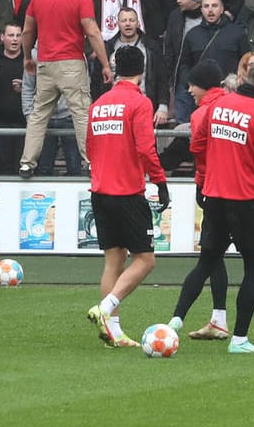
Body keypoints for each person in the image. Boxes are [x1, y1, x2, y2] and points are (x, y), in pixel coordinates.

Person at [165, 58, 254, 354]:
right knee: (252, 266)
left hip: (214, 197)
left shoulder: (217, 108)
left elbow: (197, 145)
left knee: (207, 261)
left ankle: (174, 322)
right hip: (245, 200)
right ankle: (239, 339)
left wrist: (214, 170)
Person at [84, 45, 169, 349]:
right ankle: (105, 310)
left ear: (116, 69)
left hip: (100, 190)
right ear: (142, 71)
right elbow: (146, 148)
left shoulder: (100, 103)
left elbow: (89, 146)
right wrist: (160, 182)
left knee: (114, 260)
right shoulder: (139, 102)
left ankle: (114, 331)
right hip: (127, 192)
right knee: (145, 260)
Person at [18, 0, 111, 178]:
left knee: (39, 114)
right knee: (81, 112)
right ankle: (91, 162)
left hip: (45, 63)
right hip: (71, 62)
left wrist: (27, 57)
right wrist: (105, 64)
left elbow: (26, 31)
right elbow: (93, 32)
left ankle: (26, 162)